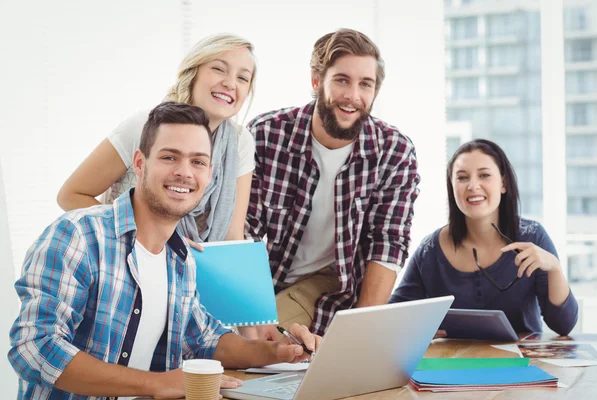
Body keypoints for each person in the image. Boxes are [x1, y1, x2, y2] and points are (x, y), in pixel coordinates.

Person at [8, 103, 319, 400]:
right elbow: (34, 348)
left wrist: (281, 352)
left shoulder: (181, 260)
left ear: (209, 174)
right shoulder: (77, 236)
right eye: (170, 157)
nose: (184, 172)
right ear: (140, 164)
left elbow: (205, 341)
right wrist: (156, 384)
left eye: (197, 162)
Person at [244, 29, 420, 336]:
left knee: (248, 347)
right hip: (262, 279)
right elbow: (244, 233)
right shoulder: (264, 135)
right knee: (221, 341)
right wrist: (256, 320)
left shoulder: (394, 151)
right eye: (342, 80)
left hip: (331, 284)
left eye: (365, 84)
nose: (353, 96)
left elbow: (387, 244)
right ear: (316, 81)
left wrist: (361, 336)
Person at [57, 33, 257, 244]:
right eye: (218, 69)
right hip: (129, 256)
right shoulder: (145, 125)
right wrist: (144, 236)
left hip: (198, 268)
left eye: (242, 78)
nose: (230, 83)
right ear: (193, 72)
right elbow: (71, 195)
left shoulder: (240, 142)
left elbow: (232, 236)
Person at [389, 139, 578, 337]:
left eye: (484, 175)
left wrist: (554, 267)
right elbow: (394, 317)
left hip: (521, 365)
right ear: (452, 188)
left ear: (503, 184)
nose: (473, 186)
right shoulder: (430, 250)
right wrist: (422, 330)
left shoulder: (533, 237)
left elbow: (563, 326)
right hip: (454, 364)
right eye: (462, 178)